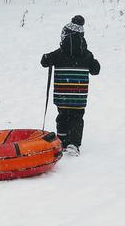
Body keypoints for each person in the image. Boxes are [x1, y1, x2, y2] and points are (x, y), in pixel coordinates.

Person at [40, 15, 101, 156]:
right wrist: (93, 62)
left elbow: (44, 61)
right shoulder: (86, 54)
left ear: (65, 36)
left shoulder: (59, 53)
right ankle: (73, 143)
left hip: (62, 95)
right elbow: (96, 70)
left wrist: (46, 57)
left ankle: (62, 140)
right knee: (77, 118)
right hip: (78, 97)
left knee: (62, 116)